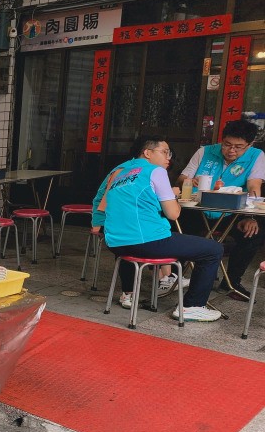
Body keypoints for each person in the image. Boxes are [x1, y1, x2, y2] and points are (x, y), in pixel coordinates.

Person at [93, 137, 223, 322]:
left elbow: (103, 201)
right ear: (147, 153)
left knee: (175, 239)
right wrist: (173, 197)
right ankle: (192, 306)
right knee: (213, 249)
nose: (168, 157)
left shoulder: (119, 172)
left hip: (116, 243)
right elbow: (173, 214)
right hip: (147, 242)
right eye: (164, 152)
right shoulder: (155, 171)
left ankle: (137, 290)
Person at [177, 119, 265, 300]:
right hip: (197, 210)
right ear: (222, 140)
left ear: (250, 144)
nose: (232, 150)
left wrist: (252, 217)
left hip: (232, 215)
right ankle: (173, 275)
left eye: (239, 147)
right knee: (175, 226)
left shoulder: (257, 156)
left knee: (253, 233)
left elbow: (254, 185)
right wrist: (189, 181)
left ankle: (231, 282)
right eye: (227, 145)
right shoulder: (205, 152)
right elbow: (182, 177)